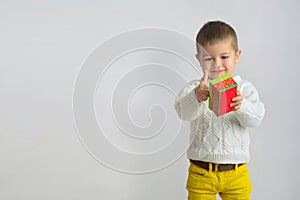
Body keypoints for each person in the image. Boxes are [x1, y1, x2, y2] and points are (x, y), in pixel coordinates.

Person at [174, 20, 265, 200]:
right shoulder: (196, 88)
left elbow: (256, 118)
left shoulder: (244, 89)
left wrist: (241, 105)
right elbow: (183, 113)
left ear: (236, 56)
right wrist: (196, 97)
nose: (217, 64)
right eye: (208, 58)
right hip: (201, 172)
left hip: (236, 173)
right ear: (199, 59)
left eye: (224, 57)